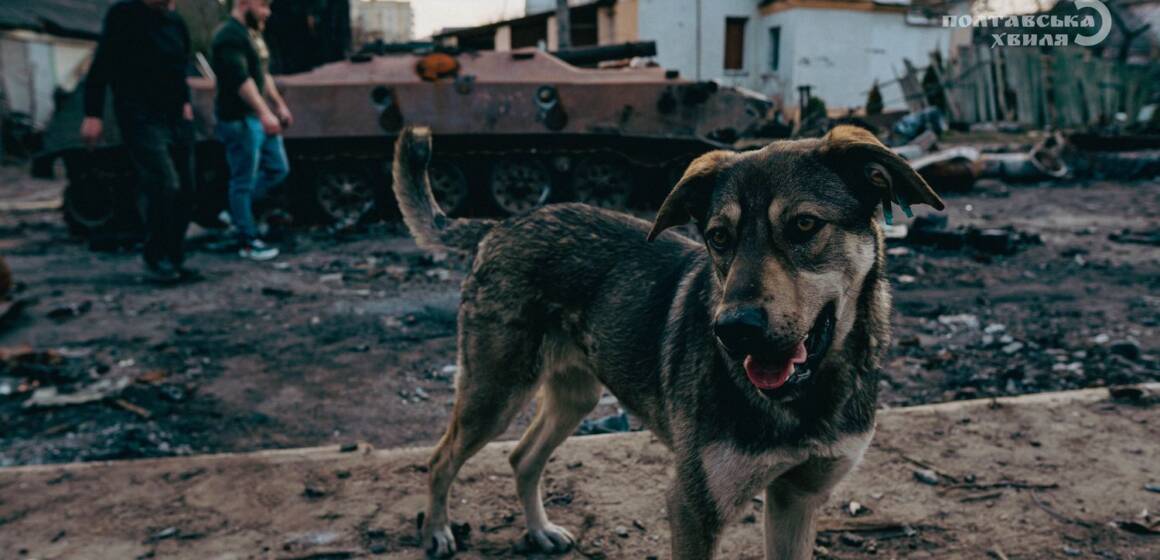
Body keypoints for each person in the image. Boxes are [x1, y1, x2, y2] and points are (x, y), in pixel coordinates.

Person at [81, 0, 196, 283]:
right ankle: (156, 256)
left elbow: (181, 65)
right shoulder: (124, 15)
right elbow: (102, 64)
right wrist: (93, 113)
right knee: (164, 184)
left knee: (188, 188)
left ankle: (175, 255)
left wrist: (185, 102)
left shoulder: (176, 22)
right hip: (140, 114)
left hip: (175, 115)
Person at [211, 0, 293, 261]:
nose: (267, 12)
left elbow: (262, 73)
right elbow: (241, 80)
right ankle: (247, 241)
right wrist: (264, 113)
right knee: (242, 181)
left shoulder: (252, 34)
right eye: (262, 6)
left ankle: (236, 213)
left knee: (277, 169)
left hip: (256, 117)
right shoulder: (229, 36)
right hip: (239, 120)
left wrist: (278, 105)